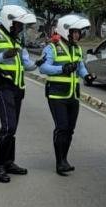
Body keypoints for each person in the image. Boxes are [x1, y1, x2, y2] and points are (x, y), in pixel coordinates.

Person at [0, 5, 40, 183]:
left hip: (17, 87)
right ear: (9, 22)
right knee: (8, 126)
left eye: (21, 25)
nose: (21, 28)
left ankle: (8, 162)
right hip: (2, 86)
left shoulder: (17, 40)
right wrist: (3, 55)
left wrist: (39, 63)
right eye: (18, 25)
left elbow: (27, 64)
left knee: (12, 128)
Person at [40, 14, 96, 175]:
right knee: (62, 127)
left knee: (70, 129)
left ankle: (64, 159)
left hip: (73, 95)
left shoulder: (77, 48)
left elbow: (80, 67)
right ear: (66, 31)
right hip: (57, 94)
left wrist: (87, 76)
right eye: (75, 32)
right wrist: (61, 69)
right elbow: (43, 68)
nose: (78, 35)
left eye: (79, 32)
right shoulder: (52, 48)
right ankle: (60, 162)